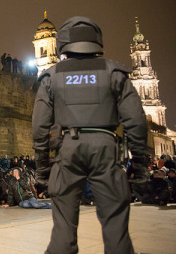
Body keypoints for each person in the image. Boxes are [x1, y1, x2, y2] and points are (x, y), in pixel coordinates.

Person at [32, 16, 148, 253]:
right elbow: (135, 121)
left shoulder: (52, 77)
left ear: (64, 43)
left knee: (63, 230)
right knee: (116, 229)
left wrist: (43, 168)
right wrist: (140, 163)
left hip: (68, 149)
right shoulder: (113, 72)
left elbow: (40, 127)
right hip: (105, 147)